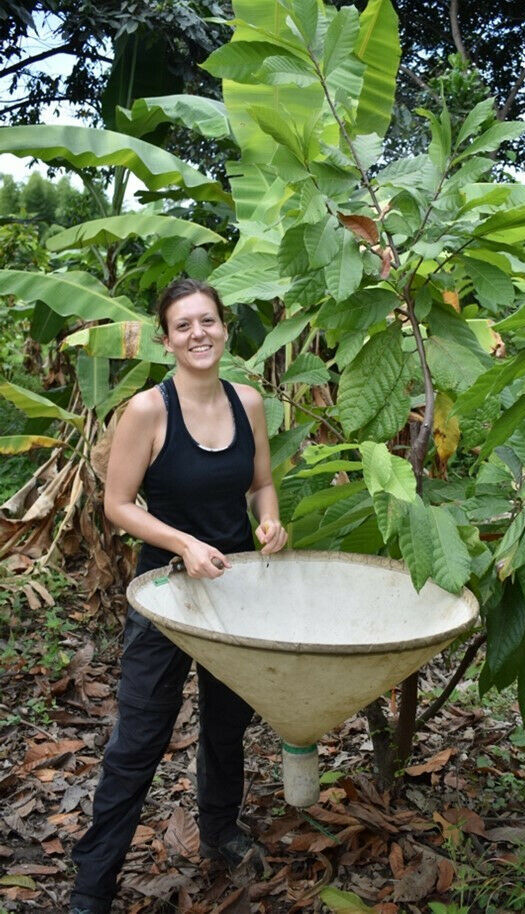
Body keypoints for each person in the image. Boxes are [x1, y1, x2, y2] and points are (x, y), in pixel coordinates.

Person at [70, 278, 287, 914]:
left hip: (235, 590)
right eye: (185, 325)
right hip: (166, 594)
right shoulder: (148, 411)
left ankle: (219, 833)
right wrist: (183, 543)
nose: (199, 334)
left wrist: (270, 521)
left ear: (225, 329)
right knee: (139, 739)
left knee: (227, 727)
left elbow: (261, 485)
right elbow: (116, 506)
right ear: (166, 340)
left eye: (209, 322)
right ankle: (93, 885)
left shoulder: (247, 402)